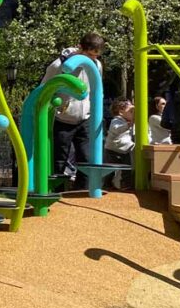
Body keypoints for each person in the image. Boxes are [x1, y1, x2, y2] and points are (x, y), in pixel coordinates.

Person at [42, 32, 104, 191]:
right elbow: (44, 89)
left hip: (85, 118)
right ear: (80, 47)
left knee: (87, 159)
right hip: (62, 119)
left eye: (96, 56)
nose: (92, 59)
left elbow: (96, 90)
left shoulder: (97, 65)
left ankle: (82, 193)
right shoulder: (58, 66)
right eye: (89, 55)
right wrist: (56, 105)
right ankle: (57, 193)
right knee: (59, 160)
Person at [104, 98, 135, 190]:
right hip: (112, 150)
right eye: (131, 111)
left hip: (125, 150)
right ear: (121, 111)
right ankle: (107, 185)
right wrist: (129, 125)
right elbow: (117, 129)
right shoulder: (116, 120)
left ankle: (126, 186)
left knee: (127, 170)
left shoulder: (129, 122)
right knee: (110, 170)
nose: (133, 113)